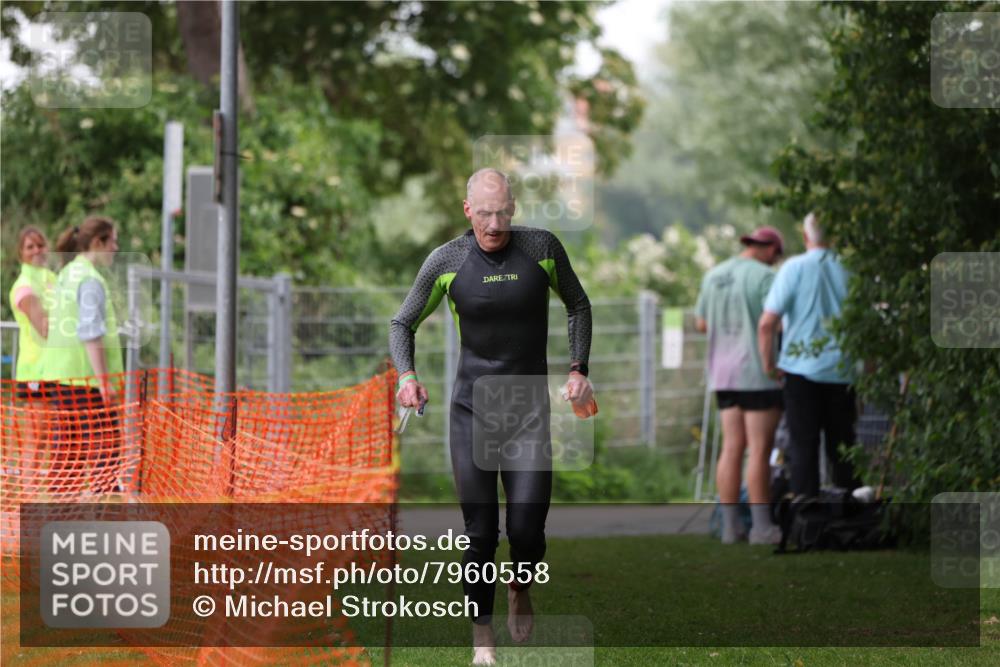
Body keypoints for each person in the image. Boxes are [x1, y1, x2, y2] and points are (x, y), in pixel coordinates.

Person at [390, 168, 593, 665]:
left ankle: (519, 585)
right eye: (484, 213)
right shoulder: (448, 260)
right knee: (480, 530)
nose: (495, 224)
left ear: (514, 207)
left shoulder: (541, 248)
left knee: (526, 528)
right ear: (467, 211)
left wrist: (578, 367)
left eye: (503, 212)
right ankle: (482, 634)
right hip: (471, 411)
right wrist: (406, 377)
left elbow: (578, 305)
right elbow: (403, 322)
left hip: (528, 411)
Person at [758, 212, 861, 498]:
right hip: (843, 370)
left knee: (803, 445)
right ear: (834, 237)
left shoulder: (793, 268)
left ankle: (806, 512)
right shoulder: (850, 268)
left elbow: (767, 323)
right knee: (843, 446)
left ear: (805, 237)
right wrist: (868, 371)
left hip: (800, 370)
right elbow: (866, 325)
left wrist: (769, 365)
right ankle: (850, 512)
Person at [695, 225, 785, 545]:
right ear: (770, 249)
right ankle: (762, 528)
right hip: (759, 373)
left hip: (723, 375)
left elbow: (702, 323)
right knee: (759, 451)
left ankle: (730, 528)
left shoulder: (713, 275)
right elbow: (774, 323)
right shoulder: (765, 277)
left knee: (731, 448)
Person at [41, 216, 124, 494]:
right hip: (85, 382)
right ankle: (104, 525)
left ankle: (57, 522)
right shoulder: (90, 279)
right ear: (98, 242)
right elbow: (90, 332)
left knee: (67, 456)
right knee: (106, 453)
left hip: (61, 378)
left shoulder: (67, 273)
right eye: (112, 241)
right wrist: (104, 382)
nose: (116, 248)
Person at [8, 227, 58, 480]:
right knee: (35, 440)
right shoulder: (25, 286)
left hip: (58, 370)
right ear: (21, 254)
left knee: (51, 440)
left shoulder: (52, 279)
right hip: (35, 370)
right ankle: (26, 505)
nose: (37, 250)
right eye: (30, 247)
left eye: (40, 245)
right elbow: (44, 328)